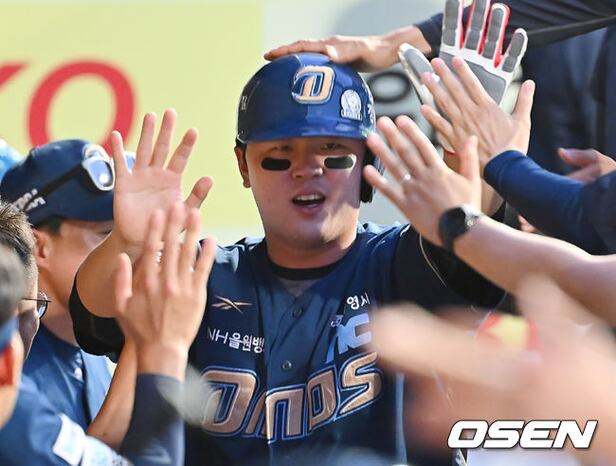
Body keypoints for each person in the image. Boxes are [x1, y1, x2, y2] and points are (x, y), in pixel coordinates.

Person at [68, 54, 503, 466]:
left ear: (369, 160)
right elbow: (94, 315)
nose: (306, 169)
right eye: (279, 155)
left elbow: (475, 251)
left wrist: (484, 162)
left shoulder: (402, 262)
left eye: (332, 151)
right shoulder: (205, 274)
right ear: (244, 166)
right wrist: (126, 243)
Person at [0, 199, 217, 465]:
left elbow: (95, 449)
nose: (125, 256)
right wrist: (162, 349)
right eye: (106, 235)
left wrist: (141, 344)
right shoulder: (22, 405)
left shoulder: (84, 353)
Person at [0, 140, 124, 435]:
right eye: (108, 235)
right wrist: (151, 350)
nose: (126, 253)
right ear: (37, 246)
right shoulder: (11, 365)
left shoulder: (89, 344)